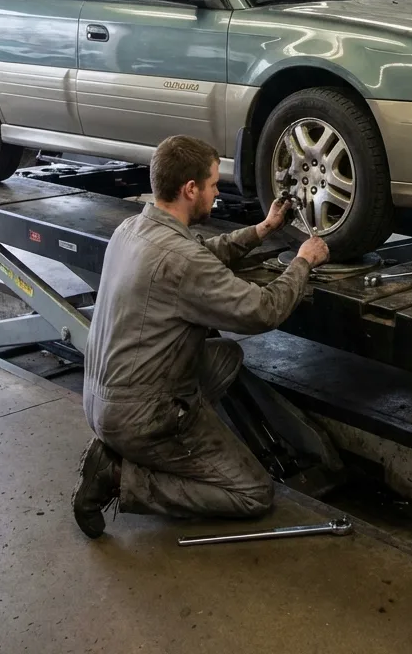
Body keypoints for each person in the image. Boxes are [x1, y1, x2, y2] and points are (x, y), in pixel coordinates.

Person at [72, 135, 329, 538]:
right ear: (189, 189)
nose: (215, 192)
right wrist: (302, 263)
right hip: (141, 414)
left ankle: (157, 442)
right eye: (212, 184)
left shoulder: (132, 228)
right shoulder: (180, 259)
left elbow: (201, 254)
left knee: (225, 355)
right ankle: (119, 475)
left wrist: (262, 230)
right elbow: (263, 310)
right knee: (254, 494)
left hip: (101, 395)